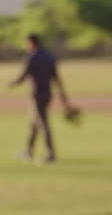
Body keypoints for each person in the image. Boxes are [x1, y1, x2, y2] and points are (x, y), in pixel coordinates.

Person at [9, 33, 78, 163]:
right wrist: (63, 97)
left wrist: (13, 83)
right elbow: (56, 78)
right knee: (34, 123)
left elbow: (24, 75)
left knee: (42, 122)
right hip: (47, 94)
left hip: (36, 94)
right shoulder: (49, 56)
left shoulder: (33, 57)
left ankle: (50, 153)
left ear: (31, 43)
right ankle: (28, 151)